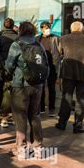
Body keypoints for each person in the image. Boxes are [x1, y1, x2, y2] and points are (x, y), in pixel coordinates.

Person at [5, 21, 49, 159]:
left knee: (20, 116)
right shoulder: (38, 44)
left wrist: (7, 77)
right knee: (35, 115)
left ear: (21, 31)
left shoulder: (16, 44)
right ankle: (38, 148)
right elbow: (46, 63)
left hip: (21, 85)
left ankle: (22, 149)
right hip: (38, 85)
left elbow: (9, 65)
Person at [56, 21, 84, 134]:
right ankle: (78, 125)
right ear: (82, 29)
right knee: (82, 99)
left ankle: (62, 123)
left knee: (66, 97)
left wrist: (59, 74)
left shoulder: (63, 39)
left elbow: (59, 54)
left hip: (68, 74)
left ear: (71, 29)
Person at [0, 18, 18, 128]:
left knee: (5, 93)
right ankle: (13, 116)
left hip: (4, 68)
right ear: (13, 26)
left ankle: (4, 117)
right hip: (17, 69)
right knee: (16, 93)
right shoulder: (18, 37)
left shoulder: (0, 38)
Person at [37, 21, 61, 117]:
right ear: (41, 28)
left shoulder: (55, 38)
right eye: (45, 27)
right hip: (41, 66)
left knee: (52, 88)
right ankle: (41, 107)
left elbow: (60, 50)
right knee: (41, 87)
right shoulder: (37, 39)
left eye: (48, 27)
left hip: (53, 65)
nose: (47, 29)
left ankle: (51, 108)